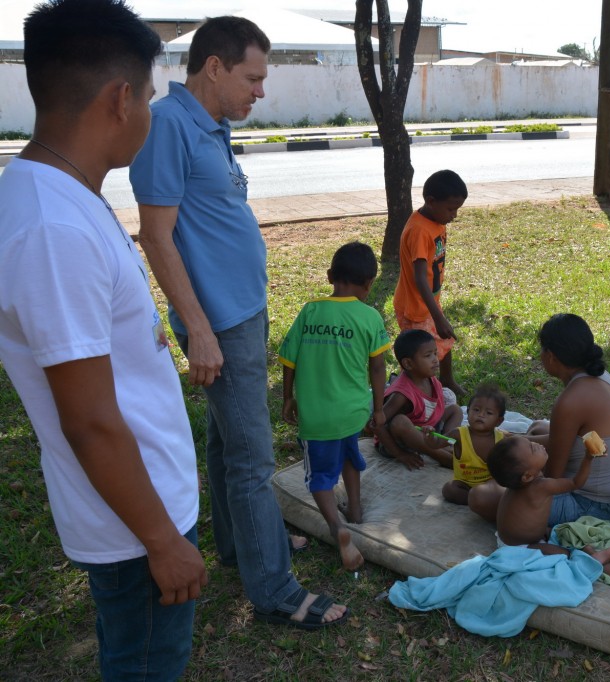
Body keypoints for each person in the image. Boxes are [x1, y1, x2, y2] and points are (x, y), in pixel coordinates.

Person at [0, 1, 207, 677]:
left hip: (140, 511)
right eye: (147, 97)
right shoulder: (52, 229)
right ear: (122, 100)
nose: (148, 112)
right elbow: (88, 418)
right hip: (134, 530)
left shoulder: (58, 197)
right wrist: (159, 539)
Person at [129, 16, 347, 628]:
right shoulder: (169, 125)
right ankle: (275, 590)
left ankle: (238, 546)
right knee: (253, 457)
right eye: (252, 77)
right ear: (215, 67)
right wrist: (198, 329)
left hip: (242, 313)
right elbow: (156, 234)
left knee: (228, 443)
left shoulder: (214, 124)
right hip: (218, 322)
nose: (261, 91)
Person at [278, 242, 390, 568]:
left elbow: (289, 358)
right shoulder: (370, 317)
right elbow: (379, 368)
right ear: (369, 284)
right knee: (350, 457)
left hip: (316, 417)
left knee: (320, 477)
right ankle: (355, 510)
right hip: (354, 413)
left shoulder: (310, 311)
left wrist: (288, 397)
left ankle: (336, 526)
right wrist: (379, 408)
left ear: (330, 276)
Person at [469, 313, 610, 526]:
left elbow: (551, 476)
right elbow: (566, 440)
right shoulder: (598, 374)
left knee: (481, 496)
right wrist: (516, 439)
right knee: (536, 428)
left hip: (595, 507)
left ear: (551, 356)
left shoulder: (571, 401)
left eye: (541, 350)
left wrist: (507, 471)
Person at [392, 169, 468, 397]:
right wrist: (438, 316)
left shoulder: (436, 220)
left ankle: (446, 381)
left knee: (444, 341)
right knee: (421, 355)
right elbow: (418, 278)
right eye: (451, 209)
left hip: (428, 303)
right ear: (431, 201)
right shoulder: (419, 230)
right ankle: (411, 393)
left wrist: (436, 312)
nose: (454, 215)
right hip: (415, 307)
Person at [488, 436, 599, 554]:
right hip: (521, 547)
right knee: (565, 554)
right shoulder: (540, 486)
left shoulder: (516, 482)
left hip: (508, 537)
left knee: (561, 533)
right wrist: (588, 458)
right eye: (533, 449)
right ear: (527, 476)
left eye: (530, 442)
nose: (537, 444)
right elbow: (575, 483)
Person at [375, 329, 463, 469]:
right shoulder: (401, 394)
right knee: (400, 422)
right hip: (401, 442)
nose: (435, 359)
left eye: (435, 353)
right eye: (428, 356)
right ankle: (442, 456)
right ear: (408, 364)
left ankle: (445, 445)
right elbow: (376, 424)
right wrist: (400, 454)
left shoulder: (430, 379)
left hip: (427, 429)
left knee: (455, 410)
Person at [442, 383, 507, 505]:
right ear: (468, 412)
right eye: (476, 410)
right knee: (449, 489)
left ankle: (482, 499)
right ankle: (475, 500)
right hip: (464, 484)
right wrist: (429, 435)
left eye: (488, 413)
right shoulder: (458, 434)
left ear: (499, 421)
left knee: (501, 485)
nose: (481, 415)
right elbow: (435, 444)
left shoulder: (500, 439)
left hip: (489, 483)